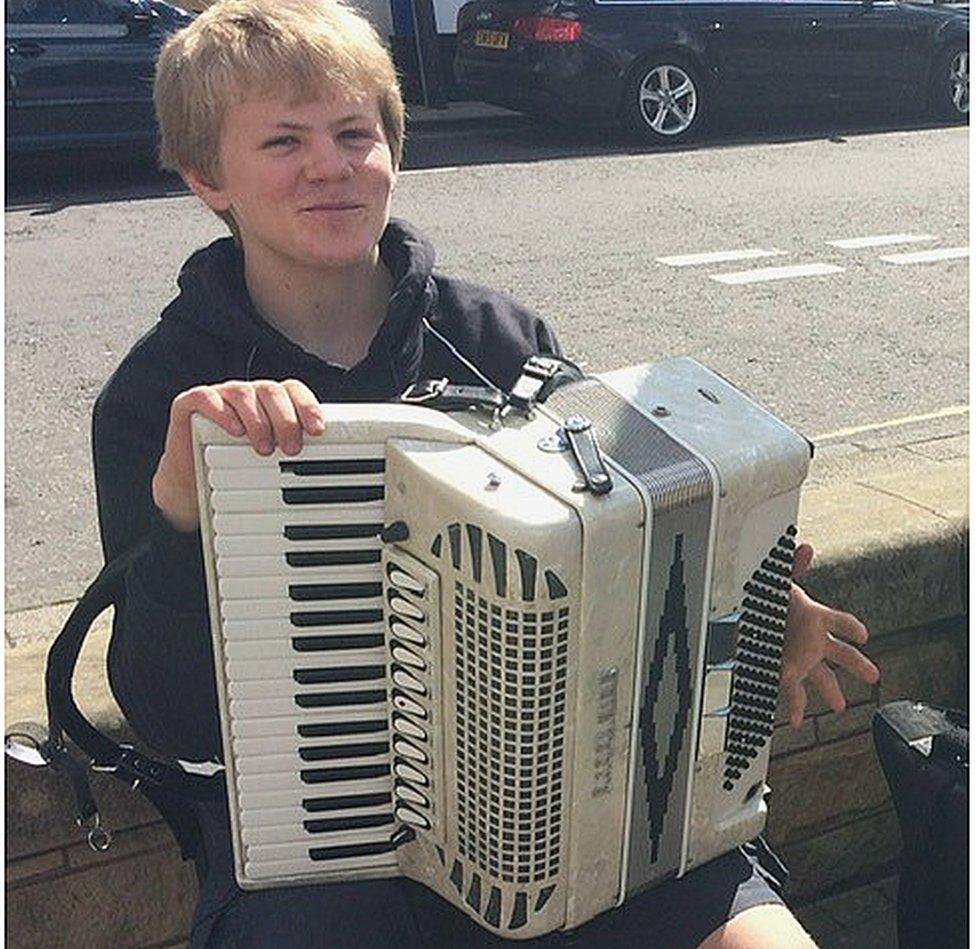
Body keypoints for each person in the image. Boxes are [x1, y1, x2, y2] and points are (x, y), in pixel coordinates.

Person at [92, 1, 880, 946]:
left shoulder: (497, 338)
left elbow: (619, 550)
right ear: (205, 175)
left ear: (394, 145)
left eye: (356, 132)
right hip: (324, 852)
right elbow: (171, 720)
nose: (331, 165)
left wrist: (751, 616)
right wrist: (181, 521)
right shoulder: (158, 399)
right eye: (283, 141)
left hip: (558, 811)